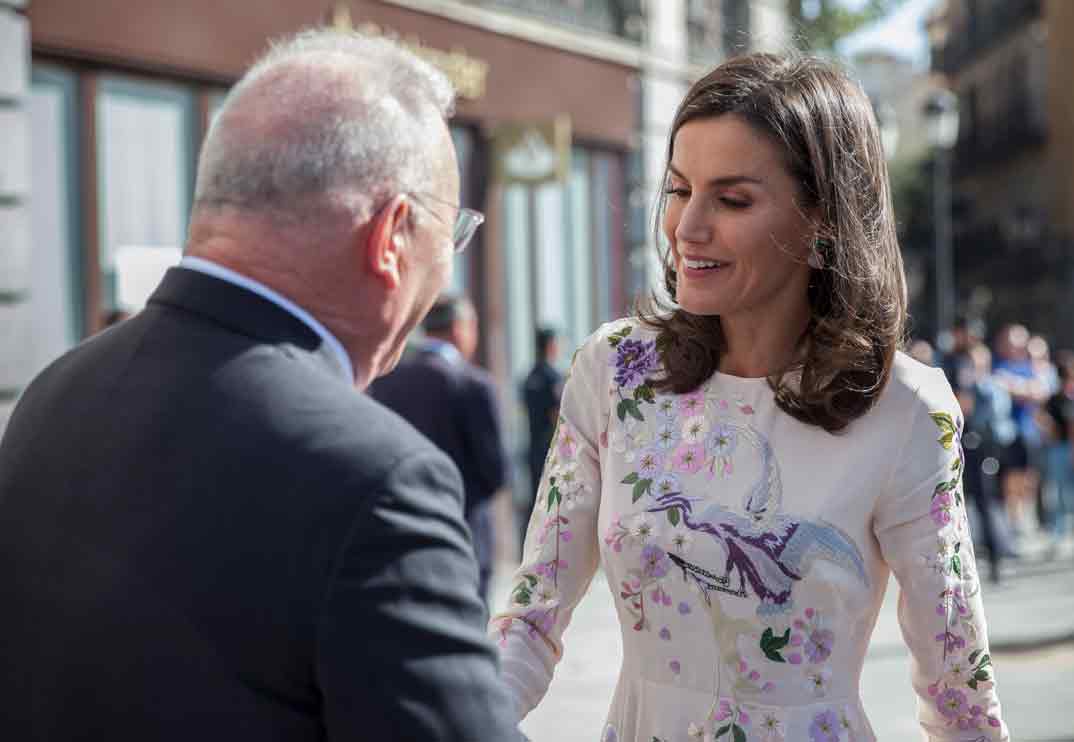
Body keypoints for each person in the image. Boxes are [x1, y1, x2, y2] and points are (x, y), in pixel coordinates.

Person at [0, 29, 518, 741]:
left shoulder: (54, 392)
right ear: (392, 235)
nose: (447, 272)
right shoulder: (377, 479)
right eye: (450, 234)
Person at [490, 52, 1008, 741]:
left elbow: (960, 699)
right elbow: (529, 619)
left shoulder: (906, 409)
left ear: (823, 221)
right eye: (678, 190)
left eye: (732, 199)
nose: (687, 227)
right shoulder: (614, 371)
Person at [370, 294, 510, 604]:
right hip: (465, 531)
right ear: (460, 328)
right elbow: (496, 472)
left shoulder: (387, 382)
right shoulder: (474, 385)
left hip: (401, 532)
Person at [521, 326, 564, 551]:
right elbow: (559, 416)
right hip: (552, 450)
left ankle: (530, 548)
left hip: (532, 449)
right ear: (550, 345)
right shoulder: (552, 377)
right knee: (553, 503)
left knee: (534, 501)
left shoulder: (529, 377)